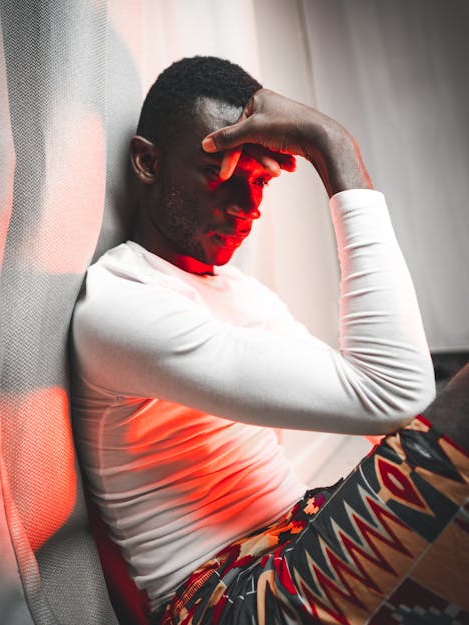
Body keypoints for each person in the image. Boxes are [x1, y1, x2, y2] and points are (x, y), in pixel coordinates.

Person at [70, 56, 468, 624]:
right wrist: (331, 143)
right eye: (222, 173)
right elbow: (392, 393)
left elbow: (395, 407)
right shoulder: (119, 306)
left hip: (297, 539)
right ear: (148, 162)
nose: (248, 206)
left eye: (258, 179)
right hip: (223, 597)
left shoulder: (237, 290)